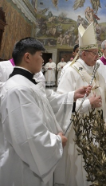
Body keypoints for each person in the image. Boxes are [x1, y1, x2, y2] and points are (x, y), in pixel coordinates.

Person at [0, 37, 91, 186]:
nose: (43, 60)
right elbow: (30, 137)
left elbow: (47, 100)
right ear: (27, 57)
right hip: (23, 170)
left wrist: (72, 95)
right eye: (40, 55)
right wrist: (56, 142)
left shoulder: (27, 83)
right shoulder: (18, 89)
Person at [56, 23, 106, 186]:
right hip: (78, 129)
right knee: (79, 166)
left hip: (95, 126)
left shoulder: (96, 70)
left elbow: (104, 92)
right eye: (95, 53)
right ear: (83, 54)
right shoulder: (71, 71)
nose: (98, 56)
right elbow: (61, 103)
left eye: (98, 52)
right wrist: (88, 104)